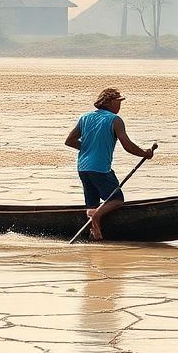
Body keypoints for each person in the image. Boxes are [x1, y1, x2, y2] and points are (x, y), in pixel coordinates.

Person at [64, 87, 155, 240]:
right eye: (118, 102)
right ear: (109, 102)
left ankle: (96, 233)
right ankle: (96, 218)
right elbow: (128, 146)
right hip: (100, 168)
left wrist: (88, 147)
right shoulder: (115, 120)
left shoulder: (85, 117)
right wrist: (145, 153)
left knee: (92, 205)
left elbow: (70, 141)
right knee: (117, 199)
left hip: (83, 167)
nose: (120, 105)